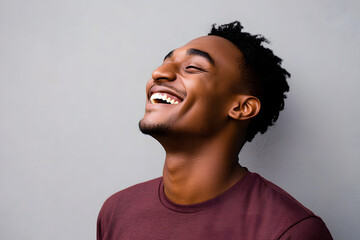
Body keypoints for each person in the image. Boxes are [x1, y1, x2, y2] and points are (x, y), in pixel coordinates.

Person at [97, 21, 332, 239]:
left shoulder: (290, 230)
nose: (159, 73)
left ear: (241, 107)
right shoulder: (116, 211)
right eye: (165, 62)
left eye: (193, 67)